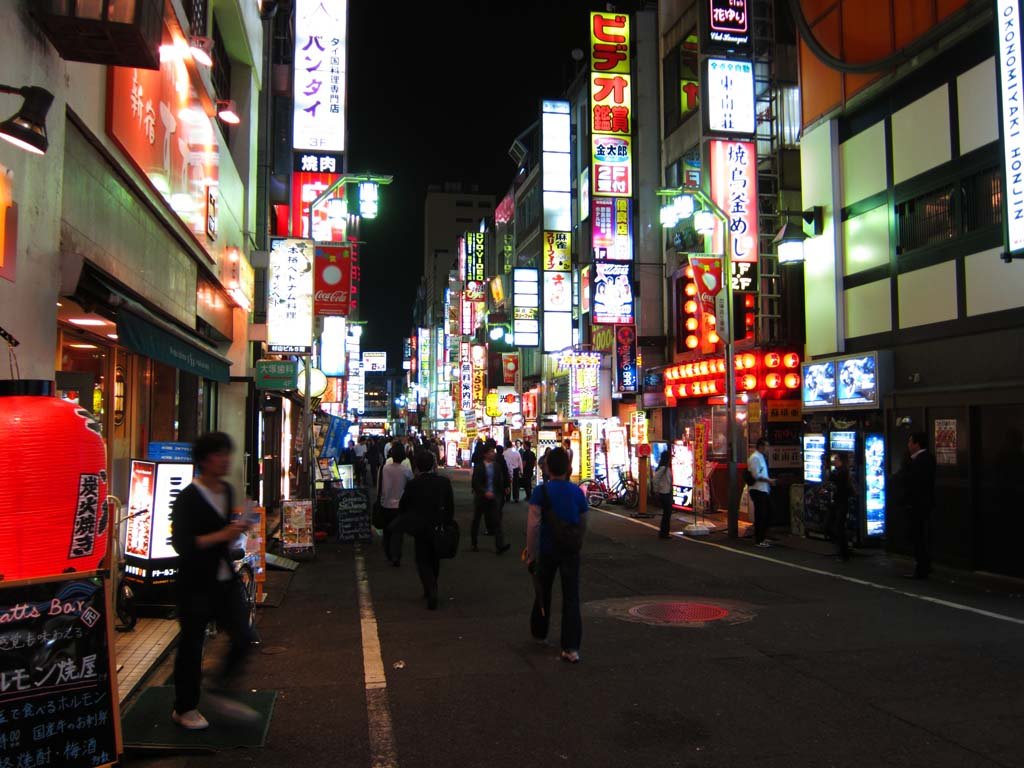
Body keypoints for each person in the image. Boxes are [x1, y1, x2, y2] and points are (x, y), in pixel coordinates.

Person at [170, 432, 258, 731]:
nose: (226, 460)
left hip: (224, 578)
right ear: (205, 460)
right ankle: (184, 708)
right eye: (220, 454)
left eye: (227, 454)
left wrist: (238, 529)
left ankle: (217, 686)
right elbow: (182, 543)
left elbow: (224, 533)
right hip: (195, 581)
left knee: (244, 636)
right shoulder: (188, 498)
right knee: (192, 645)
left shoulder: (227, 491)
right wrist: (223, 535)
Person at [526, 447, 588, 663]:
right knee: (571, 597)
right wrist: (576, 543)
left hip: (547, 549)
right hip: (571, 551)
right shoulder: (577, 492)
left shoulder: (541, 492)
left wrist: (530, 553)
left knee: (544, 591)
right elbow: (582, 523)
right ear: (568, 468)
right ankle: (571, 648)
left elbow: (533, 526)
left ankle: (540, 633)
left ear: (548, 467)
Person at [397, 450, 456, 609]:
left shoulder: (413, 484)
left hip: (420, 527)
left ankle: (430, 588)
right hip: (438, 525)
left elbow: (404, 505)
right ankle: (432, 585)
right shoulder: (443, 482)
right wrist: (448, 522)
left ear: (417, 466)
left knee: (422, 559)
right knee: (435, 558)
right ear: (433, 464)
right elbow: (450, 506)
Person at [899, 431, 936, 579]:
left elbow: (913, 482)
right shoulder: (927, 459)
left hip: (918, 505)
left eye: (910, 442)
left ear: (916, 444)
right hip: (923, 504)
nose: (908, 445)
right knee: (919, 535)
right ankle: (924, 565)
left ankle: (922, 567)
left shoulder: (919, 461)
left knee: (917, 535)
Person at [471, 441, 511, 554]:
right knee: (476, 520)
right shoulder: (479, 467)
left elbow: (501, 478)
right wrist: (484, 492)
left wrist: (505, 487)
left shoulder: (496, 466)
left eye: (493, 451)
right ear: (485, 454)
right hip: (481, 497)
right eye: (491, 452)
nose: (493, 453)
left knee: (497, 521)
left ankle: (500, 545)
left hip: (494, 496)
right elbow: (476, 482)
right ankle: (474, 543)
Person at [379, 444, 414, 565]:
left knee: (387, 531)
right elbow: (411, 485)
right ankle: (396, 556)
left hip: (386, 504)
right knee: (398, 533)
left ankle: (388, 553)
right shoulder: (406, 471)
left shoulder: (385, 468)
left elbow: (383, 488)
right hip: (400, 506)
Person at [747, 437, 776, 547]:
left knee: (768, 512)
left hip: (763, 489)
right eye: (766, 446)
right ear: (761, 446)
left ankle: (762, 537)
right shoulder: (755, 458)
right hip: (757, 489)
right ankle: (759, 539)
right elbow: (756, 475)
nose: (767, 448)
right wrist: (769, 480)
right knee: (761, 515)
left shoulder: (761, 457)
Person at [827, 453, 853, 561]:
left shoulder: (843, 472)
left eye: (836, 458)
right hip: (836, 502)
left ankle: (843, 552)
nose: (834, 460)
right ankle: (841, 550)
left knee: (839, 527)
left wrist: (827, 467)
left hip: (841, 502)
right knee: (831, 525)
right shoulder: (838, 471)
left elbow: (833, 478)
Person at [653, 450, 674, 539]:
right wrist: (657, 490)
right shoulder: (663, 468)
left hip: (666, 492)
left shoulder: (665, 468)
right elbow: (655, 479)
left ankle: (664, 532)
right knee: (667, 513)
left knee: (667, 513)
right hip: (664, 493)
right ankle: (664, 533)